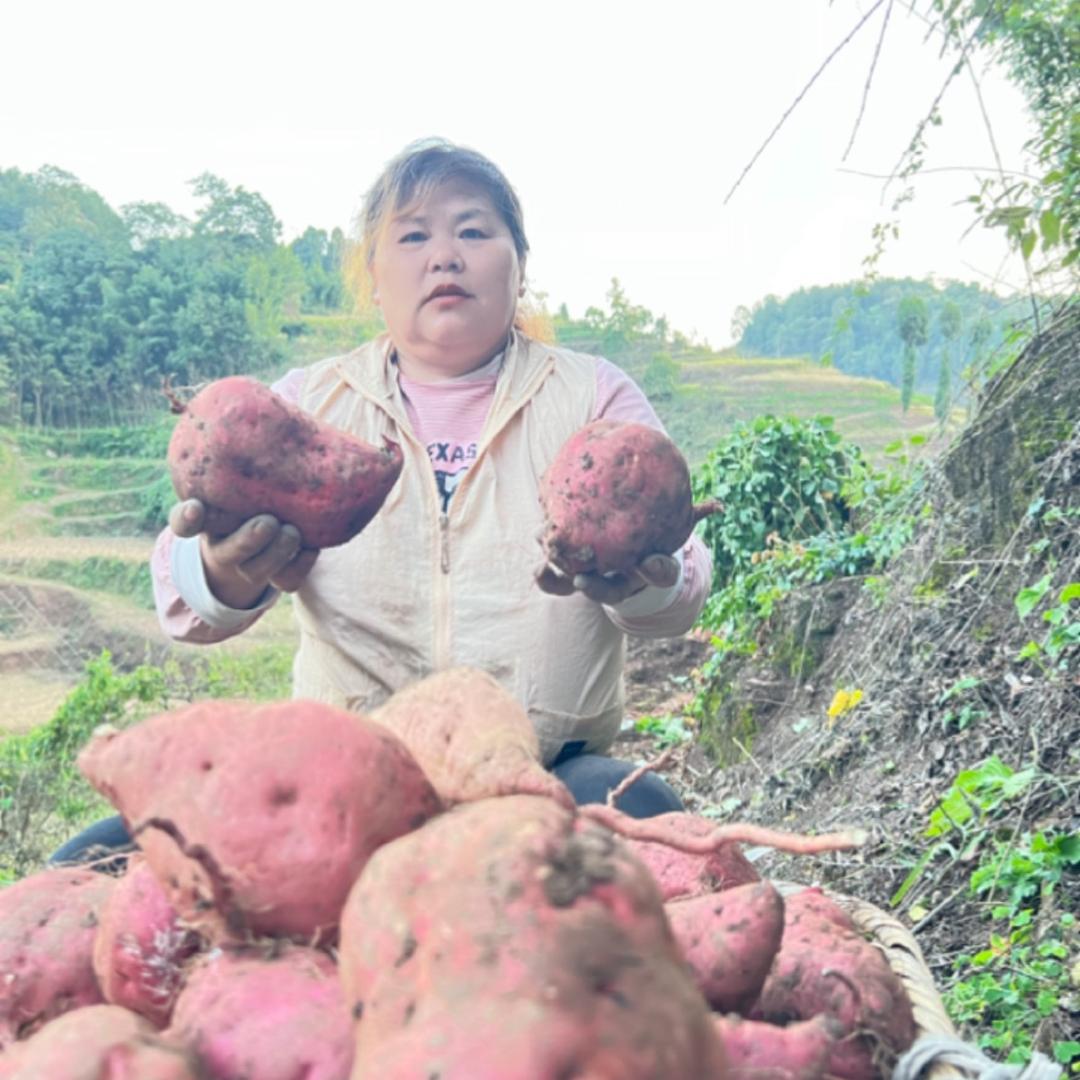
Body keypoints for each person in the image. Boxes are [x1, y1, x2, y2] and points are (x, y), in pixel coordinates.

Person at [50, 138, 713, 867]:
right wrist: (225, 571)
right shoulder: (312, 402)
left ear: (519, 268)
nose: (445, 256)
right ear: (374, 277)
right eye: (413, 235)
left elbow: (680, 582)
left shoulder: (594, 398)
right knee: (99, 859)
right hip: (343, 783)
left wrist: (636, 581)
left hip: (542, 774)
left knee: (642, 809)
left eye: (473, 230)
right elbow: (182, 598)